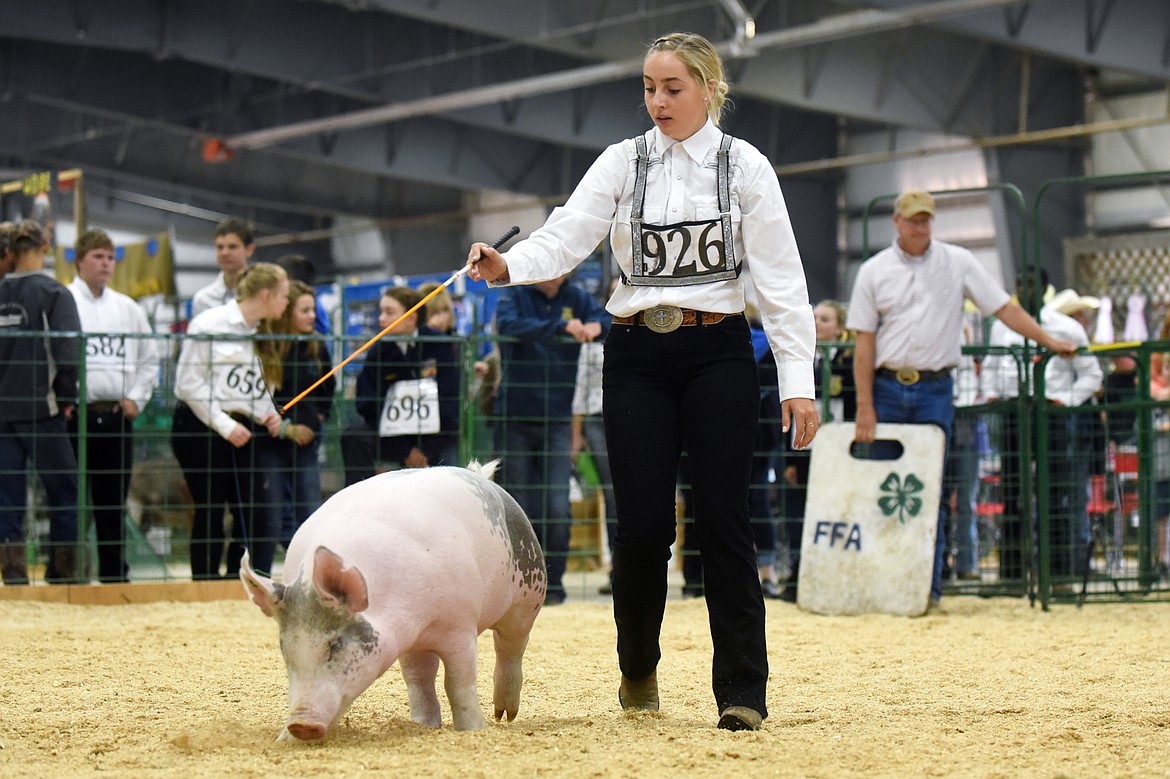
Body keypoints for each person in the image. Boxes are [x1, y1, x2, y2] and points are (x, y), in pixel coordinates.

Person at [467, 32, 819, 732]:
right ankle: (638, 666)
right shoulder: (622, 162)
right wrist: (509, 263)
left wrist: (796, 379)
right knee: (643, 527)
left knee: (724, 519)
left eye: (673, 88)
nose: (658, 101)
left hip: (719, 349)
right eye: (650, 88)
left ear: (710, 89)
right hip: (634, 355)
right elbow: (568, 232)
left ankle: (742, 690)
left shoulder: (745, 166)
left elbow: (782, 281)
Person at [848, 189, 1078, 608]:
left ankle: (926, 590)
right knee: (883, 489)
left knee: (931, 491)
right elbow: (864, 342)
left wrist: (1047, 339)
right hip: (886, 388)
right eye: (913, 219)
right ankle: (884, 587)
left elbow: (1003, 308)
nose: (920, 226)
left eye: (926, 219)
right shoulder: (873, 271)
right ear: (897, 222)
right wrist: (865, 405)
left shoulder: (958, 262)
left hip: (936, 387)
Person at [492, 275, 610, 606]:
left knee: (557, 506)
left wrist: (597, 328)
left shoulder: (577, 296)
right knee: (518, 505)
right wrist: (561, 327)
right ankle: (517, 586)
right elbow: (509, 324)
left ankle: (553, 584)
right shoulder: (515, 295)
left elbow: (607, 318)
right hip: (514, 416)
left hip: (558, 418)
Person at [171, 263, 288, 578]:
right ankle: (204, 583)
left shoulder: (264, 331)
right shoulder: (209, 323)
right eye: (284, 296)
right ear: (266, 295)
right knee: (209, 510)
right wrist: (223, 424)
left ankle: (238, 581)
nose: (286, 303)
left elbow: (258, 386)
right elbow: (187, 383)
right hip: (201, 427)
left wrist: (268, 414)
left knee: (252, 512)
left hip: (244, 429)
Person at [984, 281, 1102, 585]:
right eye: (1021, 285)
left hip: (1052, 415)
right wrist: (993, 395)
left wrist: (1067, 400)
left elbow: (1092, 373)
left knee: (1056, 492)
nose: (1027, 291)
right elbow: (992, 365)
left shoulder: (1066, 327)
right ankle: (1011, 576)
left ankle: (1058, 573)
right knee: (1012, 492)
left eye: (1031, 284)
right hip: (1014, 412)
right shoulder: (1000, 328)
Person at [66, 228, 162, 582]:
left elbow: (149, 358)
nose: (105, 264)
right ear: (79, 260)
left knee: (112, 502)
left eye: (110, 257)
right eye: (98, 256)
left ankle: (113, 576)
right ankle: (67, 575)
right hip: (75, 415)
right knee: (71, 500)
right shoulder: (65, 302)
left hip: (116, 415)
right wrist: (65, 398)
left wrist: (136, 398)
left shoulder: (128, 308)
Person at [0, 219, 82, 584]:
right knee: (64, 492)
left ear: (10, 251)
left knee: (8, 497)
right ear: (45, 246)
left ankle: (14, 576)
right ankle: (61, 575)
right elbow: (67, 352)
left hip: (2, 414)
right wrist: (67, 397)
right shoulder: (54, 293)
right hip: (42, 409)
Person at [777, 299, 856, 602]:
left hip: (839, 446)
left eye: (825, 318)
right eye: (814, 318)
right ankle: (798, 576)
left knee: (836, 511)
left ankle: (835, 579)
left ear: (839, 326)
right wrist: (790, 460)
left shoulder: (849, 359)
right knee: (798, 513)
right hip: (804, 447)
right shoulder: (800, 358)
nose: (818, 323)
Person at [341, 285, 459, 484]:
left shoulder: (439, 345)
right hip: (392, 435)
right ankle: (362, 499)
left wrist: (426, 451)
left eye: (389, 312)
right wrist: (405, 450)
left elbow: (450, 399)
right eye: (380, 312)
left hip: (435, 435)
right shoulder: (377, 351)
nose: (381, 319)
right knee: (354, 437)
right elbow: (368, 404)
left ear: (411, 317)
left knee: (444, 478)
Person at [255, 280, 335, 549]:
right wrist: (285, 427)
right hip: (271, 440)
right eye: (305, 311)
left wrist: (317, 420)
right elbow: (262, 395)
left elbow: (327, 389)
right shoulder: (270, 347)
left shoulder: (317, 346)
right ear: (288, 312)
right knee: (273, 513)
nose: (313, 316)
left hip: (308, 440)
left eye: (313, 310)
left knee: (310, 508)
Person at [571, 337, 619, 595]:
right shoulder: (591, 342)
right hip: (596, 418)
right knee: (613, 493)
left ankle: (636, 567)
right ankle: (618, 569)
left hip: (634, 415)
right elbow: (581, 388)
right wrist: (576, 434)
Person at [190, 218, 255, 317]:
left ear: (249, 250)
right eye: (220, 247)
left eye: (232, 247)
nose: (224, 253)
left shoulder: (262, 295)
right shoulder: (203, 299)